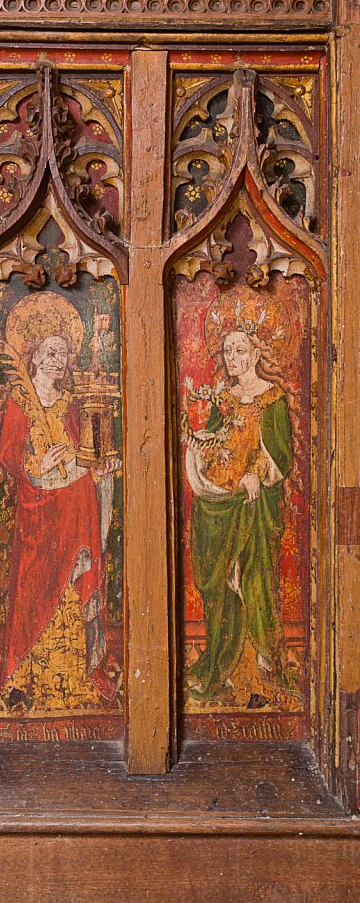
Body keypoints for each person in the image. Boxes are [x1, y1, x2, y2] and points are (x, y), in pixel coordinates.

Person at [0, 291, 117, 714]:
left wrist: (97, 466)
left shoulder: (71, 403)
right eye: (49, 352)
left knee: (73, 579)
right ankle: (27, 674)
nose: (55, 361)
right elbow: (8, 454)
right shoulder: (21, 400)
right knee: (36, 584)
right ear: (33, 356)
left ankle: (74, 674)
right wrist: (36, 461)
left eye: (62, 354)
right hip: (38, 507)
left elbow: (86, 449)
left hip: (74, 504)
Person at [183, 292, 293, 702]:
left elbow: (282, 456)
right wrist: (201, 459)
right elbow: (213, 446)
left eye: (240, 349)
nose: (233, 356)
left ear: (255, 352)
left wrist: (258, 473)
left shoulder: (272, 399)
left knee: (254, 581)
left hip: (255, 509)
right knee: (221, 586)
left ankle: (262, 666)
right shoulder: (222, 399)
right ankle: (223, 664)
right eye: (227, 350)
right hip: (221, 506)